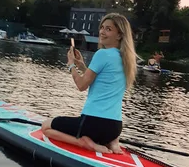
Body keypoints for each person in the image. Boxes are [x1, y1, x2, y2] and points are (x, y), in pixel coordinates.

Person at [41, 13, 137, 154]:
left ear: (119, 35)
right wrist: (81, 66)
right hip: (114, 128)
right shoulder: (126, 60)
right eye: (102, 27)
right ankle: (113, 143)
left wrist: (71, 65)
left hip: (93, 124)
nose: (102, 32)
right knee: (102, 130)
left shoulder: (102, 54)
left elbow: (81, 86)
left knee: (46, 127)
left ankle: (83, 142)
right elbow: (101, 82)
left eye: (108, 29)